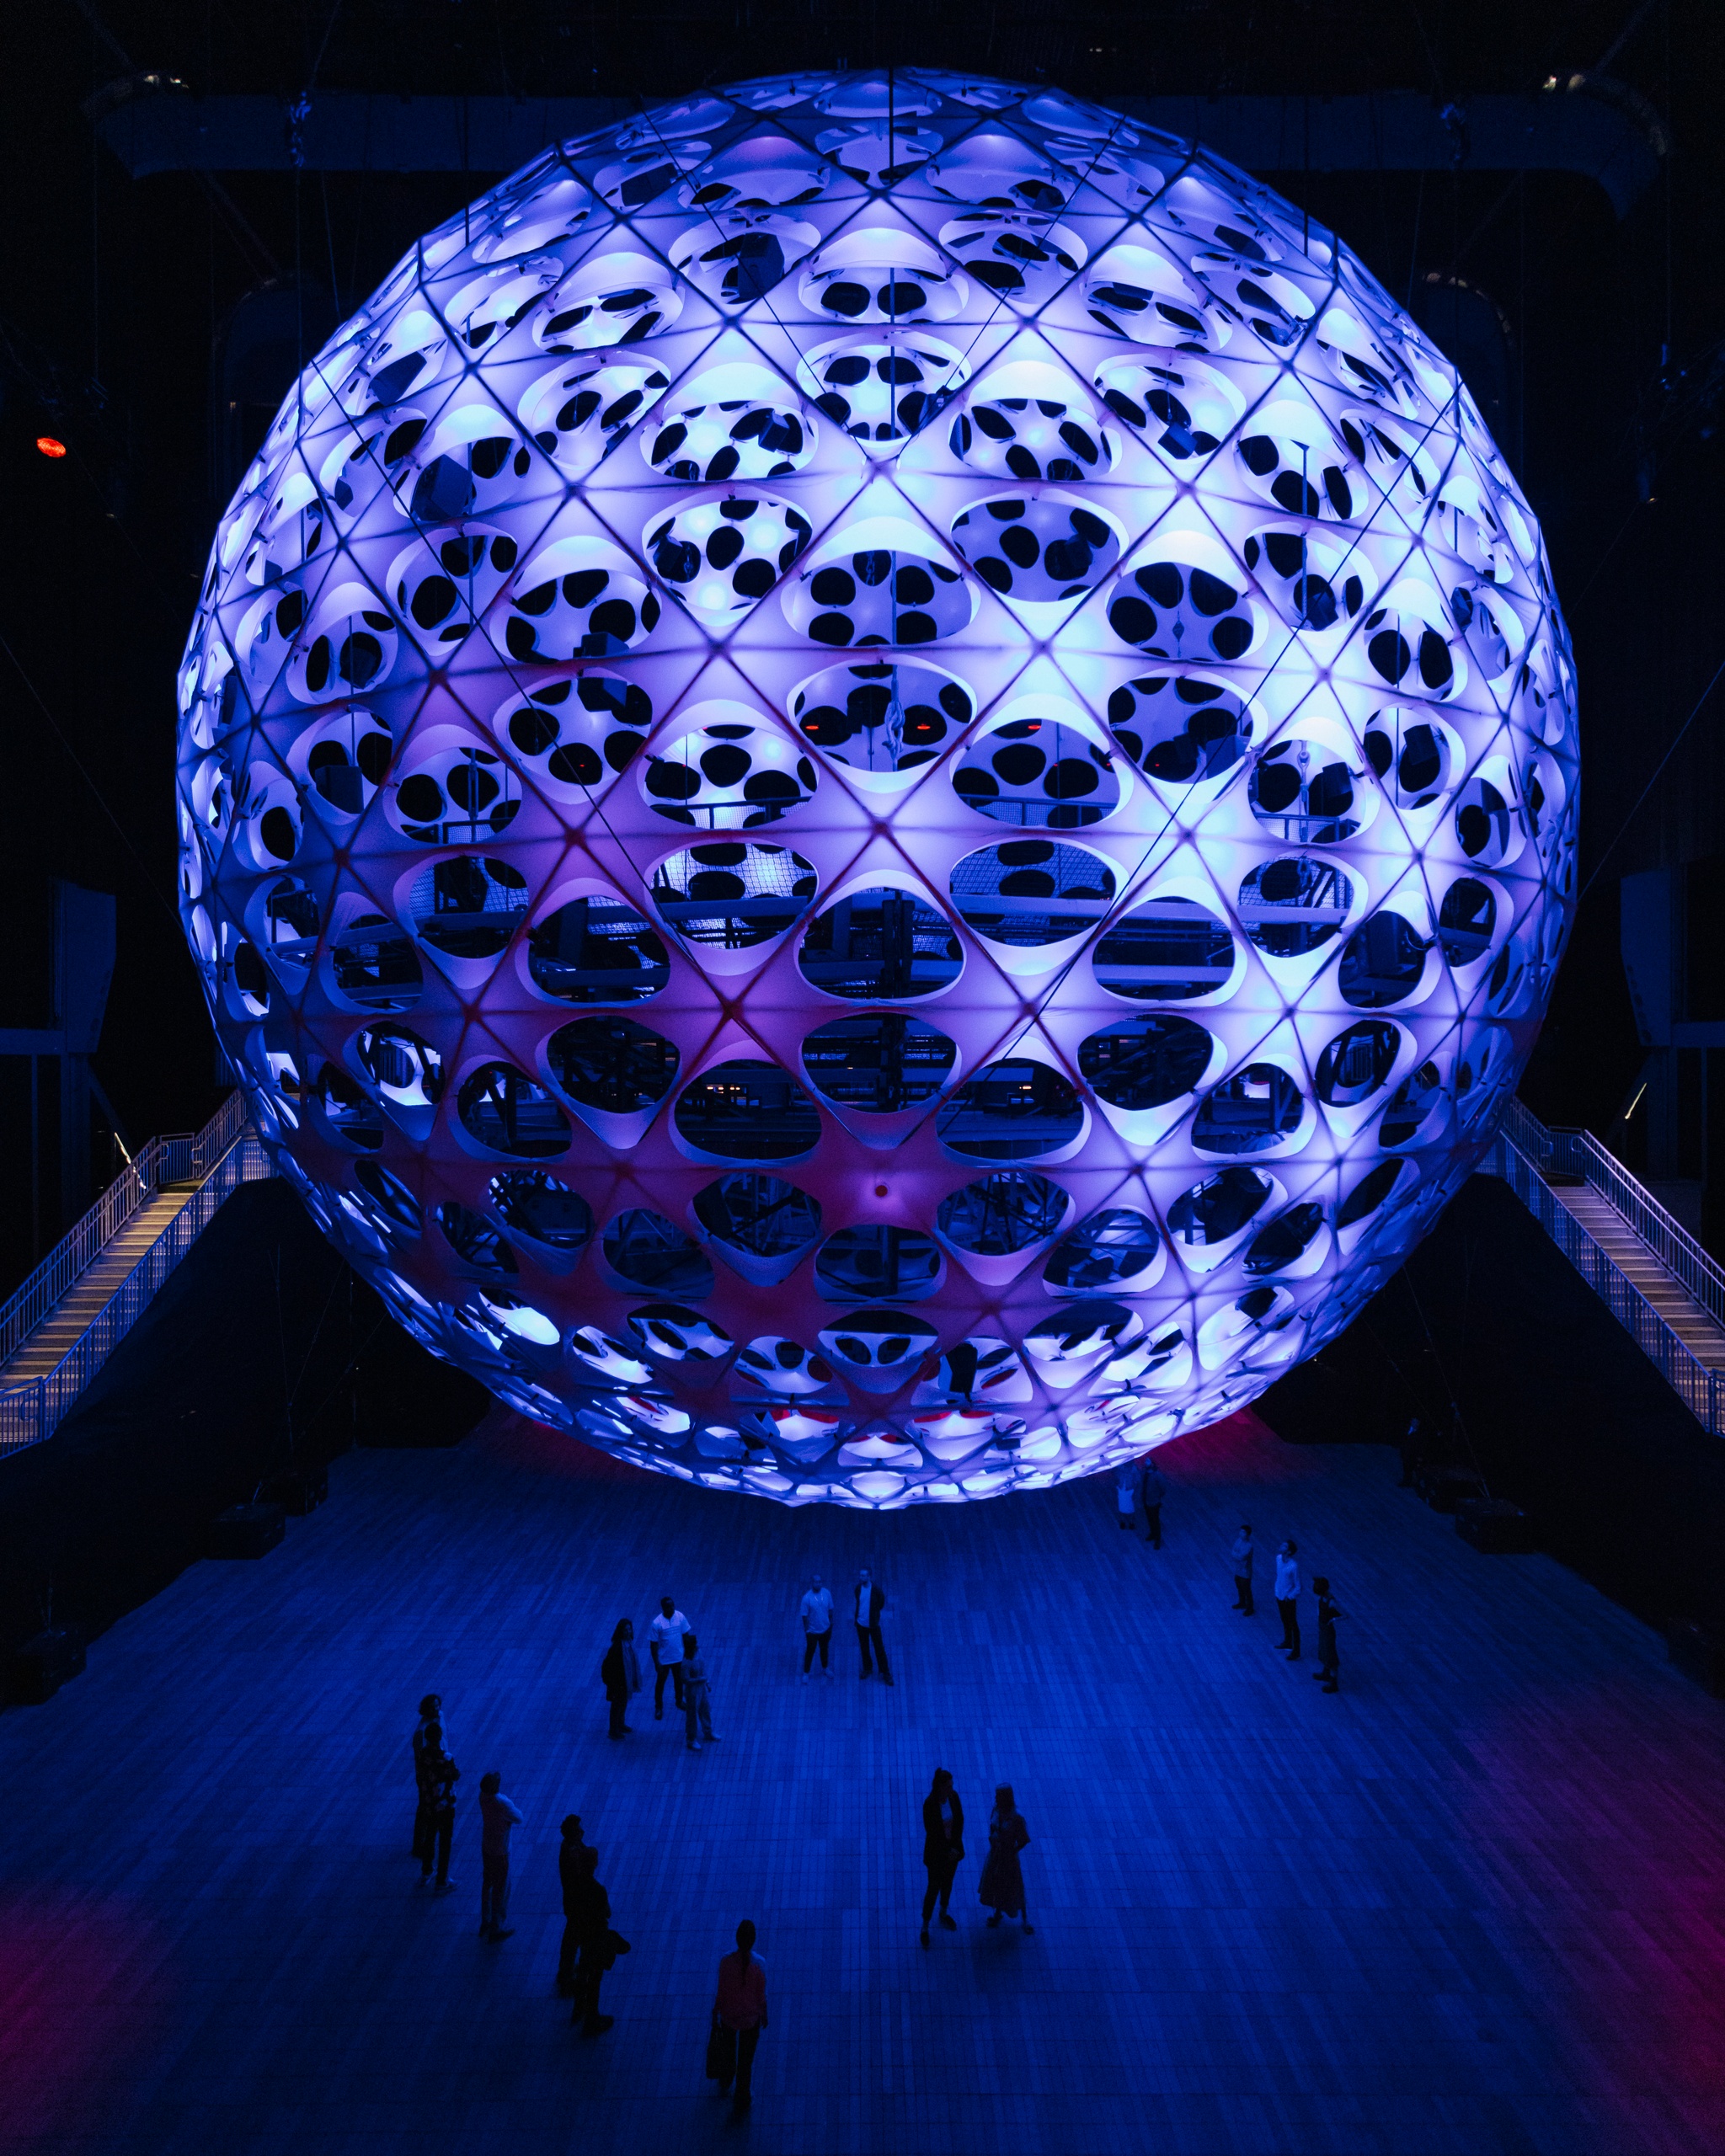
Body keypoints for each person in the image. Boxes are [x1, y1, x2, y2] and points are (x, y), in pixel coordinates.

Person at [711, 1919, 768, 2116]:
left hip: (728, 2017)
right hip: (750, 2020)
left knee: (728, 2051)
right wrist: (764, 2014)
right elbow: (761, 1996)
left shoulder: (726, 1962)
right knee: (746, 2061)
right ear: (753, 1940)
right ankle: (742, 2097)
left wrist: (715, 2012)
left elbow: (722, 1991)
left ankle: (726, 2078)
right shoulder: (759, 1964)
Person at [569, 1845, 615, 2035]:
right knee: (595, 1976)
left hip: (583, 1934)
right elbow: (607, 1913)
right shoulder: (598, 1890)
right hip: (596, 1936)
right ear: (594, 1864)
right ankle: (592, 2018)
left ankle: (579, 2009)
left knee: (583, 1970)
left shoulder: (576, 1885)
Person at [978, 1785, 1033, 1935]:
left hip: (1008, 1856)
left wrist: (1012, 1851)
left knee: (1015, 1885)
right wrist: (992, 1841)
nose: (995, 1799)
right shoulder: (996, 1810)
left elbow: (1023, 1840)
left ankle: (1025, 1917)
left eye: (998, 1796)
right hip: (996, 1853)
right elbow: (992, 1826)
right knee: (995, 1882)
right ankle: (997, 1913)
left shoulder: (1017, 1817)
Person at [919, 1768, 964, 1948]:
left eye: (952, 1786)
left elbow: (960, 1820)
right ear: (940, 1787)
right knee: (933, 1888)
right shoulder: (930, 1804)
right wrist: (948, 1850)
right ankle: (925, 1926)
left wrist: (955, 1847)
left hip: (952, 1851)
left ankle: (943, 1912)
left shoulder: (953, 1797)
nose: (951, 1789)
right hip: (937, 1855)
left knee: (948, 1883)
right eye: (948, 1786)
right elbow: (933, 1833)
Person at [478, 1771, 522, 1940]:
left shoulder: (482, 1797)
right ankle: (497, 1927)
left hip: (486, 1847)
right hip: (501, 1851)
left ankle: (486, 1920)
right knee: (501, 1888)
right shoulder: (501, 1802)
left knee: (487, 1884)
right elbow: (519, 1817)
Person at [419, 1726, 459, 1894]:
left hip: (429, 1803)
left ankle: (427, 1871)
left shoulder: (423, 1755)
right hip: (444, 1804)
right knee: (445, 1842)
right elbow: (455, 1775)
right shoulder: (446, 1757)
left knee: (430, 1836)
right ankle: (442, 1880)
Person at [410, 1694, 446, 1868]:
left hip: (439, 1769)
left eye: (438, 1706)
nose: (437, 1710)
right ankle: (419, 1845)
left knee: (427, 1807)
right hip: (427, 1775)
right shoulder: (421, 1732)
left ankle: (424, 1841)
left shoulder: (440, 1717)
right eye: (433, 1707)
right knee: (424, 1808)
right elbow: (419, 1758)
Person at [555, 1816, 588, 1995]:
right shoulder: (572, 1852)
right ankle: (567, 1978)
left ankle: (565, 1970)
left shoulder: (569, 1846)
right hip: (577, 1902)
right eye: (579, 1829)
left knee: (571, 1937)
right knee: (573, 1938)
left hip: (572, 1901)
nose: (582, 1831)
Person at [649, 1596, 692, 1719]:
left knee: (678, 1681)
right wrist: (657, 1663)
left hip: (678, 1658)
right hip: (664, 1660)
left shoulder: (680, 1617)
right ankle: (658, 1707)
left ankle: (679, 1701)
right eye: (668, 1606)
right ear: (663, 1608)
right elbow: (653, 1644)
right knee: (660, 1684)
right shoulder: (657, 1623)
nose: (672, 1608)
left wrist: (688, 1655)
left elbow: (686, 1636)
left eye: (673, 1605)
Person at [853, 1567, 892, 1685]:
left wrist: (874, 1615)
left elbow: (881, 1602)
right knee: (864, 1648)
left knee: (879, 1649)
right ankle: (867, 1668)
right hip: (861, 1624)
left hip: (873, 1624)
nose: (861, 1577)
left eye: (864, 1575)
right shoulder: (858, 1589)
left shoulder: (876, 1590)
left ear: (869, 1577)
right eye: (860, 1575)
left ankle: (885, 1672)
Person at [681, 1632, 718, 1750]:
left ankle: (708, 1731)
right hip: (692, 1692)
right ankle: (691, 1739)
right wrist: (700, 1680)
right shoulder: (686, 1663)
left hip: (701, 1688)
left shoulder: (698, 1653)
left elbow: (703, 1669)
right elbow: (686, 1680)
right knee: (692, 1715)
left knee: (705, 1709)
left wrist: (706, 1684)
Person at [601, 1620, 634, 1740]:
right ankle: (613, 1730)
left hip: (624, 1681)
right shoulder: (616, 1648)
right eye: (626, 1630)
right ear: (621, 1631)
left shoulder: (627, 1643)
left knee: (623, 1703)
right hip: (617, 1683)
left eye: (629, 1629)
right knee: (616, 1706)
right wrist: (612, 1683)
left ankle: (620, 1724)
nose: (628, 1632)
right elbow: (607, 1667)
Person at [799, 1572, 835, 1681]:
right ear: (812, 1583)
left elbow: (830, 1609)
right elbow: (804, 1616)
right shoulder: (807, 1598)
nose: (818, 1584)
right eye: (816, 1582)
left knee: (824, 1650)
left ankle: (825, 1668)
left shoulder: (827, 1593)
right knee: (810, 1652)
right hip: (813, 1632)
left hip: (825, 1629)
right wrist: (807, 1630)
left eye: (820, 1582)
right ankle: (806, 1673)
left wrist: (830, 1623)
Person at [1312, 1577, 1344, 1694]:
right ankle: (1326, 1673)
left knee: (1330, 1656)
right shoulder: (1323, 1597)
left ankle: (1333, 1683)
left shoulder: (1331, 1601)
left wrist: (1332, 1619)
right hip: (1322, 1628)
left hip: (1328, 1630)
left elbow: (1344, 1614)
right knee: (1324, 1651)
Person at [1274, 1540, 1301, 1659]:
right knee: (1284, 1620)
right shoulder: (1279, 1559)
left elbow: (1298, 1586)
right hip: (1279, 1596)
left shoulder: (1293, 1566)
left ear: (1289, 1551)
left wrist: (1289, 1596)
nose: (1281, 1545)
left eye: (1285, 1545)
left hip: (1288, 1599)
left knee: (1293, 1624)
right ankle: (1288, 1642)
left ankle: (1296, 1651)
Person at [1140, 1458, 1167, 1548]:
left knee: (1155, 1521)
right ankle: (1152, 1534)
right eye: (1146, 1461)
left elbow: (1163, 1488)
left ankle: (1158, 1539)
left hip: (1154, 1502)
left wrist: (1157, 1497)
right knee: (1150, 1519)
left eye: (1148, 1461)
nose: (1145, 1462)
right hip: (1146, 1500)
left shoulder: (1157, 1476)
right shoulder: (1145, 1473)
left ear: (1152, 1464)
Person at [1231, 1524, 1256, 1615]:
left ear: (1247, 1534)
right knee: (1239, 1587)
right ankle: (1242, 1603)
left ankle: (1250, 1608)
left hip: (1245, 1571)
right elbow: (1233, 1551)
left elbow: (1241, 1557)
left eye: (1243, 1532)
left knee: (1247, 1590)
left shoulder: (1249, 1546)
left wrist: (1235, 1555)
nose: (1241, 1533)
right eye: (1240, 1531)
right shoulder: (1238, 1540)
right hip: (1238, 1569)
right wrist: (1236, 1555)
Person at [1114, 1455, 1140, 1530]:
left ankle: (1131, 1522)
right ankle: (1123, 1521)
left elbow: (1138, 1480)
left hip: (1130, 1490)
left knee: (1131, 1508)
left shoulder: (1134, 1469)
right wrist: (1117, 1484)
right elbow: (1116, 1475)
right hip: (1121, 1489)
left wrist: (1135, 1489)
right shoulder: (1120, 1466)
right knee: (1122, 1507)